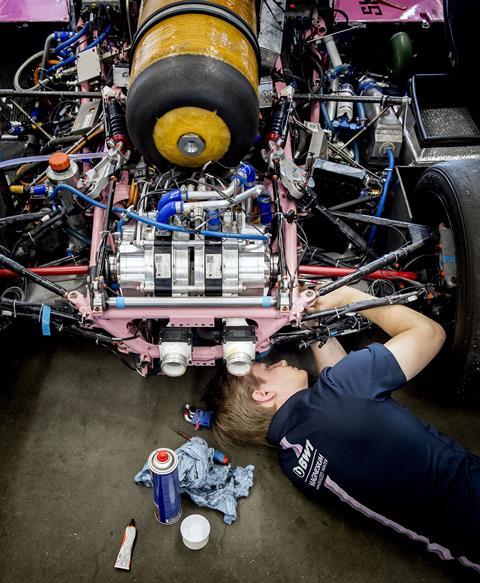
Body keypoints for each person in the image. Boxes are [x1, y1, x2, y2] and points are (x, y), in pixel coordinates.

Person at [207, 285, 480, 571]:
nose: (282, 361)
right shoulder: (342, 391)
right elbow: (430, 333)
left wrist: (316, 329)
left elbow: (343, 388)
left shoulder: (294, 463)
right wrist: (349, 298)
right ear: (262, 395)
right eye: (269, 367)